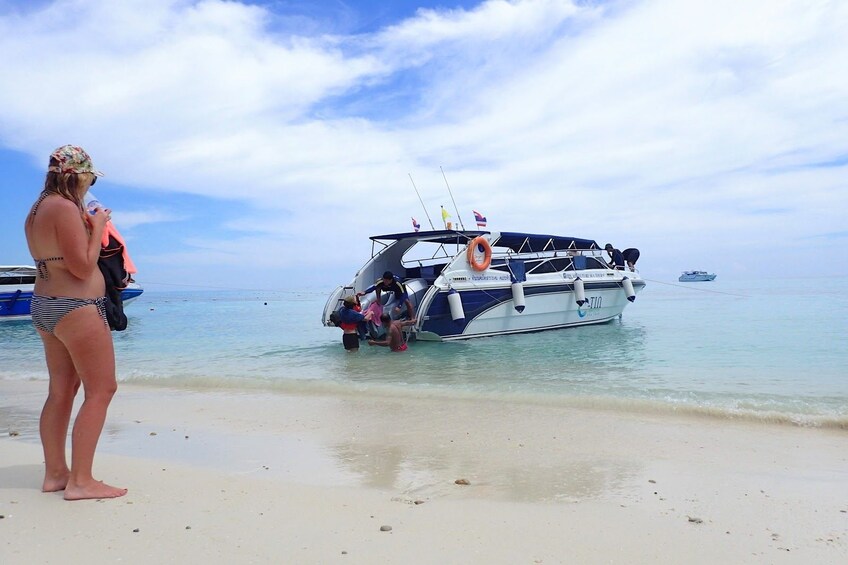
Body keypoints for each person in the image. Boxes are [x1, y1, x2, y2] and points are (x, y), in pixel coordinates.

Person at [23, 145, 127, 500]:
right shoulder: (63, 206)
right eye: (91, 177)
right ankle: (81, 481)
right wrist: (97, 227)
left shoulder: (38, 209)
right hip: (75, 307)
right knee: (102, 389)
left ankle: (56, 474)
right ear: (79, 175)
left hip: (46, 306)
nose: (91, 183)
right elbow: (82, 267)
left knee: (62, 391)